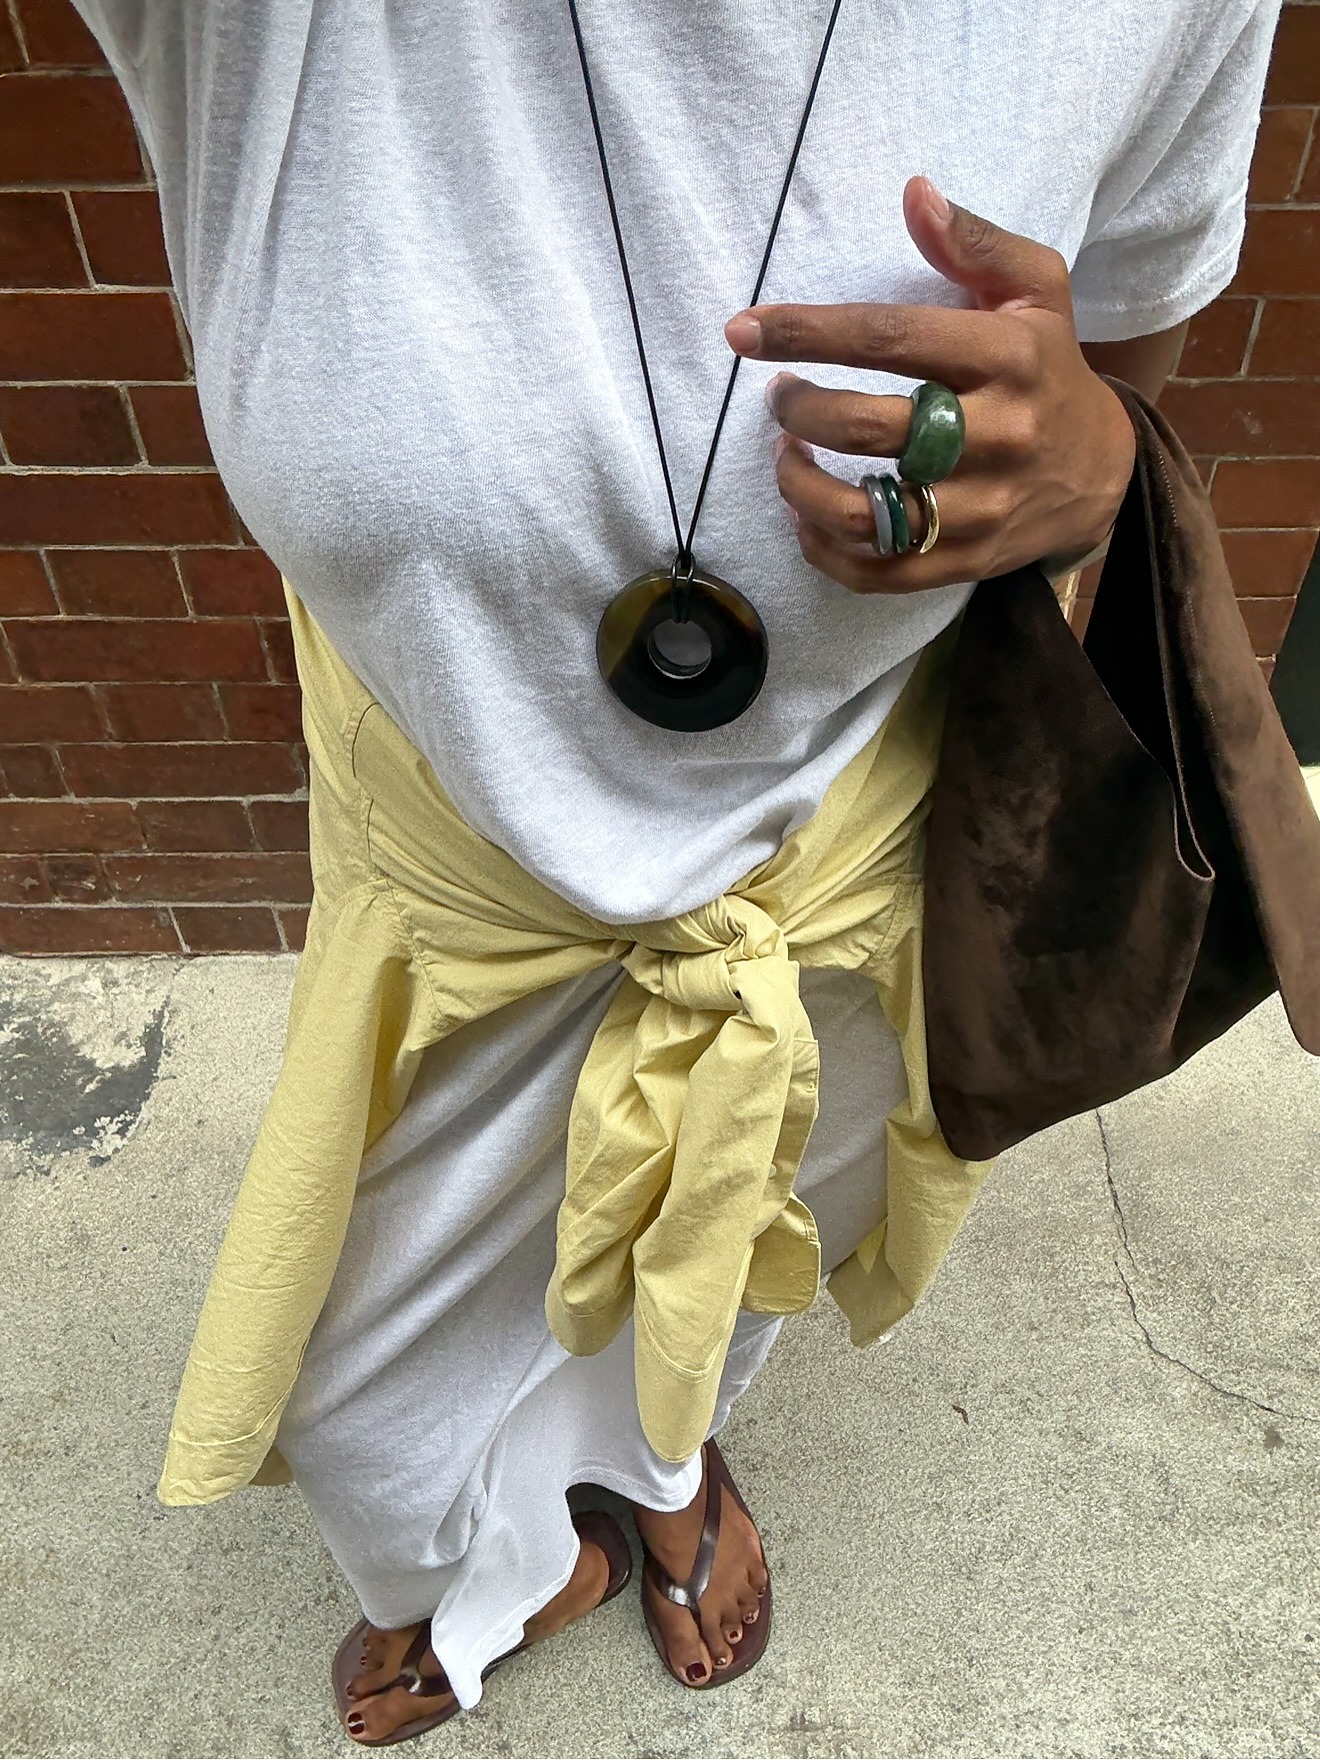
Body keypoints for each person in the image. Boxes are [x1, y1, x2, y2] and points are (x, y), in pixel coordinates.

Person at [74, 0, 1280, 1743]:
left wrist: (1098, 459)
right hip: (460, 896)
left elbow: (1130, 320)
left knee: (733, 1255)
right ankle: (470, 1555)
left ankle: (657, 1466)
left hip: (840, 873)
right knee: (363, 1409)